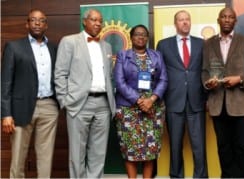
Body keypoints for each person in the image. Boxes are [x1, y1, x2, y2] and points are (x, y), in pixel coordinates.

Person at [54, 9, 116, 178]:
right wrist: (64, 100)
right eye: (93, 20)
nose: (97, 23)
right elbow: (60, 73)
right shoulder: (69, 41)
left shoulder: (107, 46)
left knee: (98, 153)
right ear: (84, 21)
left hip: (103, 104)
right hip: (79, 103)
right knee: (77, 153)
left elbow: (109, 75)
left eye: (100, 21)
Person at [1, 9, 59, 178]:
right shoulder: (14, 47)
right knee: (18, 156)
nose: (37, 23)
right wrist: (6, 114)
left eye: (41, 20)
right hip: (20, 108)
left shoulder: (54, 48)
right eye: (33, 20)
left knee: (46, 157)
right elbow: (5, 82)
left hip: (49, 106)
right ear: (27, 24)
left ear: (46, 25)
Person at [201, 7, 244, 178]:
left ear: (235, 21)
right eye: (223, 17)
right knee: (223, 145)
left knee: (241, 145)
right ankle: (226, 176)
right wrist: (208, 83)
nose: (227, 20)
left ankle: (241, 177)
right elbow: (204, 71)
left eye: (230, 17)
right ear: (218, 20)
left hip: (239, 102)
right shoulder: (208, 43)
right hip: (217, 103)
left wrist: (239, 79)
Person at [156, 10, 208, 178]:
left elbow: (206, 71)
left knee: (199, 145)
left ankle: (201, 176)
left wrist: (207, 98)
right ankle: (176, 176)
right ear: (175, 24)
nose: (185, 22)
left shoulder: (202, 44)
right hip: (173, 101)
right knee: (175, 144)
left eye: (187, 19)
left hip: (197, 100)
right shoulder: (163, 45)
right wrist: (160, 99)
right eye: (181, 20)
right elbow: (158, 73)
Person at [114, 24, 168, 178]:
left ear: (147, 38)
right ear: (131, 37)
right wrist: (139, 100)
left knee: (150, 150)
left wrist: (151, 99)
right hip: (128, 110)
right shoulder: (123, 56)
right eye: (137, 34)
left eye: (144, 34)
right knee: (130, 149)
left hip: (153, 109)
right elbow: (119, 82)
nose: (141, 37)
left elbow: (164, 80)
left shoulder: (157, 56)